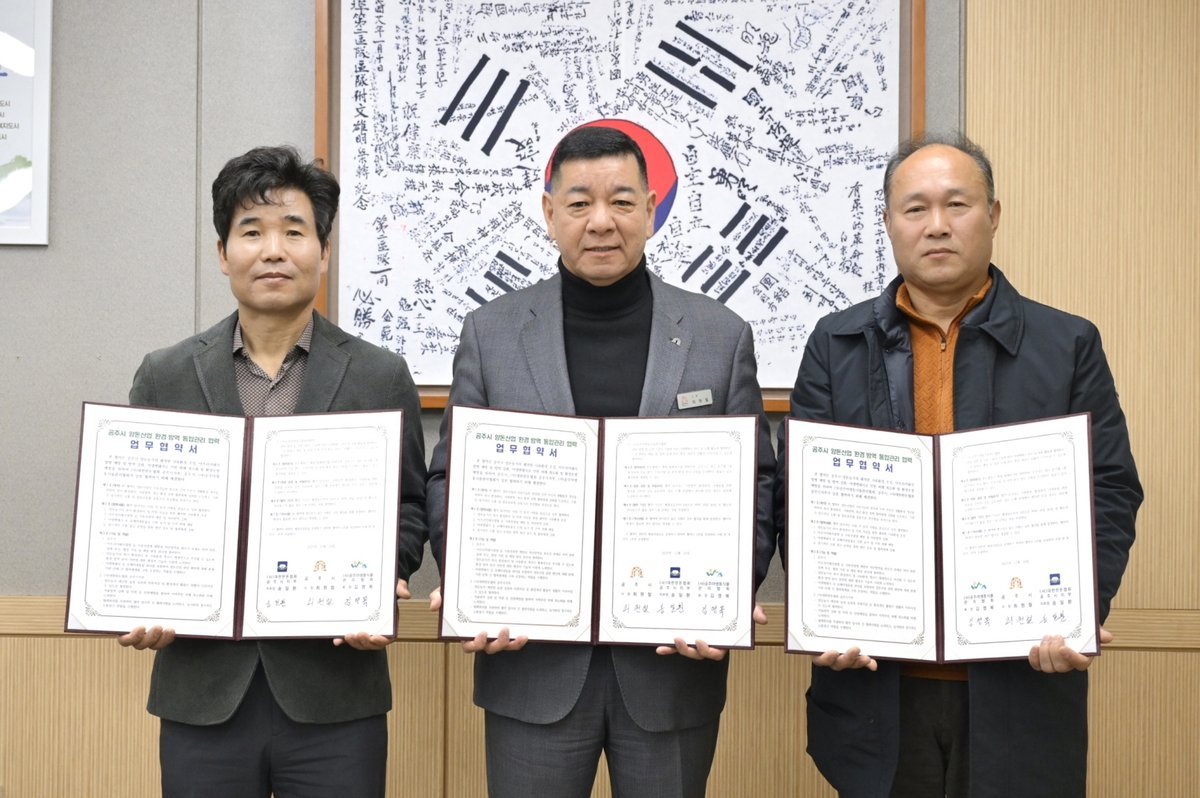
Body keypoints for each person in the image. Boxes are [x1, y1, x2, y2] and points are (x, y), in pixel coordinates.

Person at [776, 134, 1142, 797]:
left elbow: (1109, 488)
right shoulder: (836, 343)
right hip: (876, 686)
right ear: (889, 223)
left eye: (957, 204)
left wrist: (1077, 611)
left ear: (993, 215)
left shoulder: (1067, 343)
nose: (937, 225)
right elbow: (800, 498)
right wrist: (824, 614)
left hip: (1019, 681)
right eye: (915, 208)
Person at [425, 125, 778, 798]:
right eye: (580, 202)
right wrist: (471, 585)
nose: (601, 221)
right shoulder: (491, 333)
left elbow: (757, 482)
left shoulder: (720, 336)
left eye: (620, 201)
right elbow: (451, 475)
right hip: (531, 662)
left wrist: (728, 595)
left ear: (651, 208)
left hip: (673, 666)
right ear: (549, 211)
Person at [117, 145, 428, 797]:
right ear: (223, 252)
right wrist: (141, 595)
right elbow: (140, 513)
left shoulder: (378, 374)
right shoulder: (166, 374)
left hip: (335, 692)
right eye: (252, 232)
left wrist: (382, 579)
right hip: (203, 692)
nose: (273, 251)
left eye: (294, 231)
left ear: (324, 250)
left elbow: (407, 506)